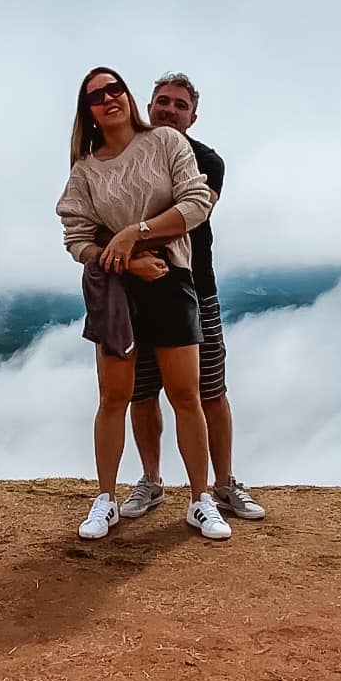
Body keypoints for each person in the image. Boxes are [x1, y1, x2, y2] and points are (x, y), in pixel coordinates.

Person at [56, 66, 234, 543]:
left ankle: (201, 500)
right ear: (87, 111)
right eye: (96, 95)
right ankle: (106, 499)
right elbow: (76, 236)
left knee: (186, 396)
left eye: (115, 88)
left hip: (174, 282)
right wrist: (126, 259)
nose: (109, 98)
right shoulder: (86, 170)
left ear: (129, 96)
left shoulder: (166, 145)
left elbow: (197, 202)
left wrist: (137, 232)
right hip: (118, 291)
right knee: (117, 397)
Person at [121, 72, 265, 523]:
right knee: (141, 392)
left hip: (194, 289)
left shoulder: (206, 160)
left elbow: (189, 214)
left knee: (210, 391)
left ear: (193, 116)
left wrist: (134, 233)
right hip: (132, 291)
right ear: (148, 106)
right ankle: (151, 480)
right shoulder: (121, 154)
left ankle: (222, 485)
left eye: (179, 104)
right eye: (162, 101)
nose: (168, 109)